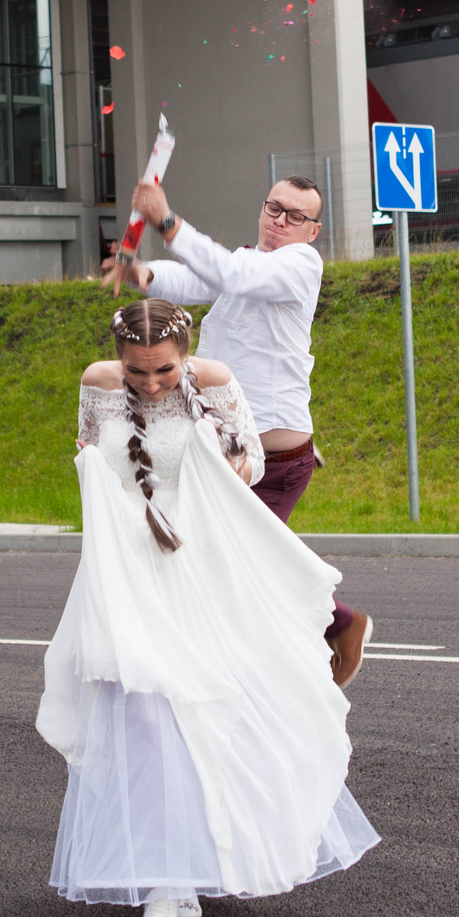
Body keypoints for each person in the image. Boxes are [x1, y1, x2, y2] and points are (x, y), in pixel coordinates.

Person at [42, 298, 379, 917]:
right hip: (126, 573)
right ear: (118, 360)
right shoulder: (97, 384)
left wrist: (222, 468)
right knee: (141, 719)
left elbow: (253, 461)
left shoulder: (216, 381)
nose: (150, 383)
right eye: (137, 371)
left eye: (164, 370)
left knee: (204, 715)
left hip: (202, 570)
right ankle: (163, 886)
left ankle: (192, 867)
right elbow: (88, 447)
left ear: (186, 355)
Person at [104, 173, 375, 684]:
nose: (280, 221)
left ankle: (335, 627)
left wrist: (167, 220)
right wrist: (143, 273)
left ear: (312, 230)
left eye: (296, 216)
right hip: (231, 454)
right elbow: (201, 279)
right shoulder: (250, 263)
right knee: (237, 565)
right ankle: (318, 637)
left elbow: (228, 273)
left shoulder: (300, 265)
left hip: (271, 462)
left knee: (236, 566)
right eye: (274, 208)